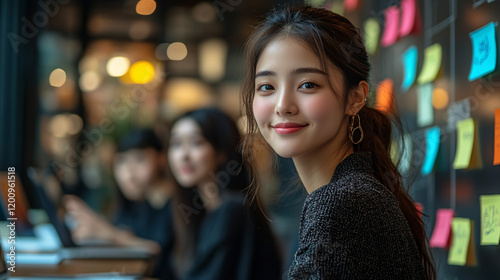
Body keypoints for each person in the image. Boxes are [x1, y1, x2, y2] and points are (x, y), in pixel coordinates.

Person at [240, 6, 435, 280]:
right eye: (267, 87)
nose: (283, 105)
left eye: (308, 84)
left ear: (355, 97)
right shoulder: (352, 192)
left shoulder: (342, 203)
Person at [157, 107, 281, 280]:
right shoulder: (199, 211)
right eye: (176, 144)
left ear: (222, 152)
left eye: (196, 143)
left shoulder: (232, 209)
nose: (183, 155)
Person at [64, 129, 174, 254]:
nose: (129, 172)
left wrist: (107, 232)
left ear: (162, 158)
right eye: (121, 161)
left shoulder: (173, 205)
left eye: (139, 159)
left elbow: (158, 251)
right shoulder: (132, 204)